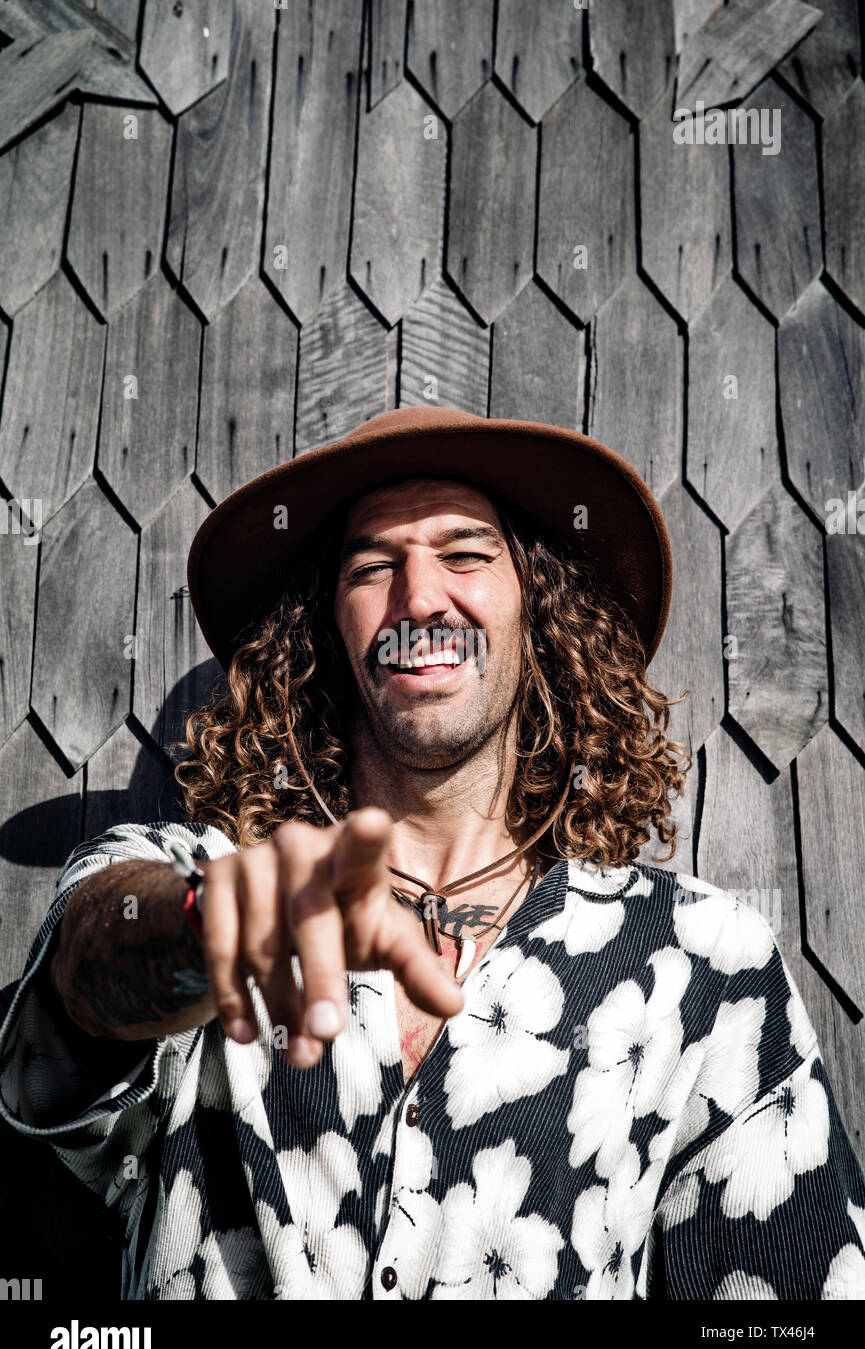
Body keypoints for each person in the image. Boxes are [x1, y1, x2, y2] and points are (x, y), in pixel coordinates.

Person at [1, 406, 863, 1301]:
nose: (418, 598)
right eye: (372, 567)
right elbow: (81, 987)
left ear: (542, 610)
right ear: (324, 636)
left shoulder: (703, 961)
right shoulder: (194, 869)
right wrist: (207, 926)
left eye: (464, 554)